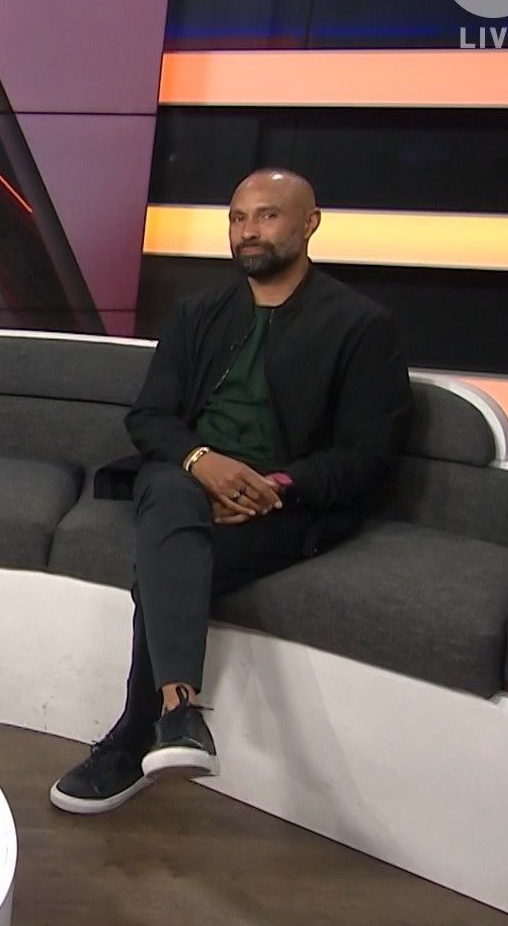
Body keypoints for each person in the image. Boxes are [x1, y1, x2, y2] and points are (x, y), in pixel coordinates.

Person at [51, 168, 411, 814]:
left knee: (165, 558)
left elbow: (368, 457)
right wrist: (203, 463)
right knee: (170, 496)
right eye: (238, 218)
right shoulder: (199, 313)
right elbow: (150, 418)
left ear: (310, 223)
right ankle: (176, 715)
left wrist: (273, 486)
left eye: (268, 216)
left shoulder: (361, 326)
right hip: (185, 479)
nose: (248, 231)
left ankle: (139, 734)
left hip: (284, 503)